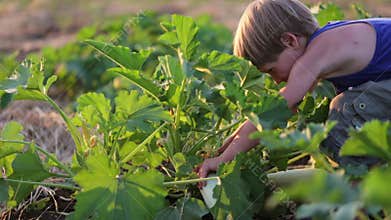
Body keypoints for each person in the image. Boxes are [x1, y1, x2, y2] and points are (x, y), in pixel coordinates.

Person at [196, 0, 391, 184]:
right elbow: (280, 112)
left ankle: (362, 193)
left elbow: (275, 111)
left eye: (271, 70)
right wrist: (229, 145)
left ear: (290, 41)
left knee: (344, 115)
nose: (276, 80)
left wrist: (223, 161)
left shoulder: (315, 55)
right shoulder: (327, 44)